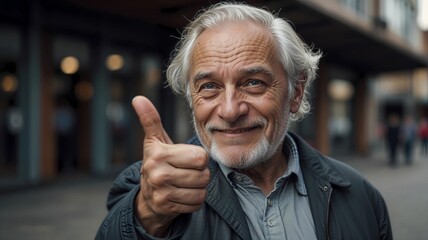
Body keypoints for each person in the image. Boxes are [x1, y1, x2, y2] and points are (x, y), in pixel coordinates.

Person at [96, 3, 392, 240]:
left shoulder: (359, 195)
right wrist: (147, 214)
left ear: (295, 93)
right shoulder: (153, 186)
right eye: (209, 86)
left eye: (253, 82)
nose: (229, 110)